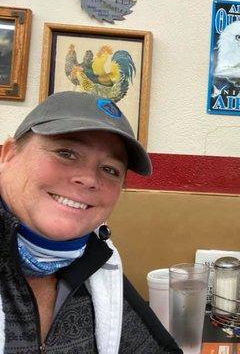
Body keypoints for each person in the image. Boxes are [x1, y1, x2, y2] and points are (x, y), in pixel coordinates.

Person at [0, 91, 181, 353]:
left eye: (110, 169)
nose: (88, 179)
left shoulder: (96, 260)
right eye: (66, 153)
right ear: (7, 155)